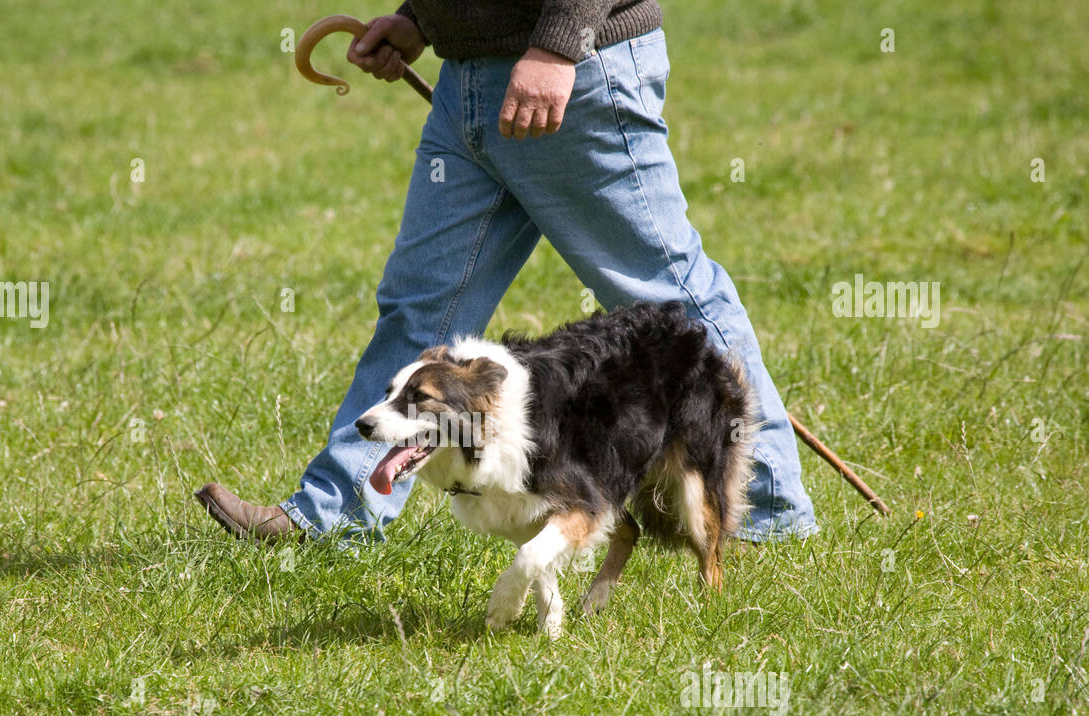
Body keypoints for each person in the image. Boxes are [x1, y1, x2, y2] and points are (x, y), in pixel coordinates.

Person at [197, 1, 818, 544]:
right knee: (420, 311)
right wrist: (422, 19)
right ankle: (335, 516)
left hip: (576, 77)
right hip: (465, 86)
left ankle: (765, 514)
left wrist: (556, 44)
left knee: (668, 302)